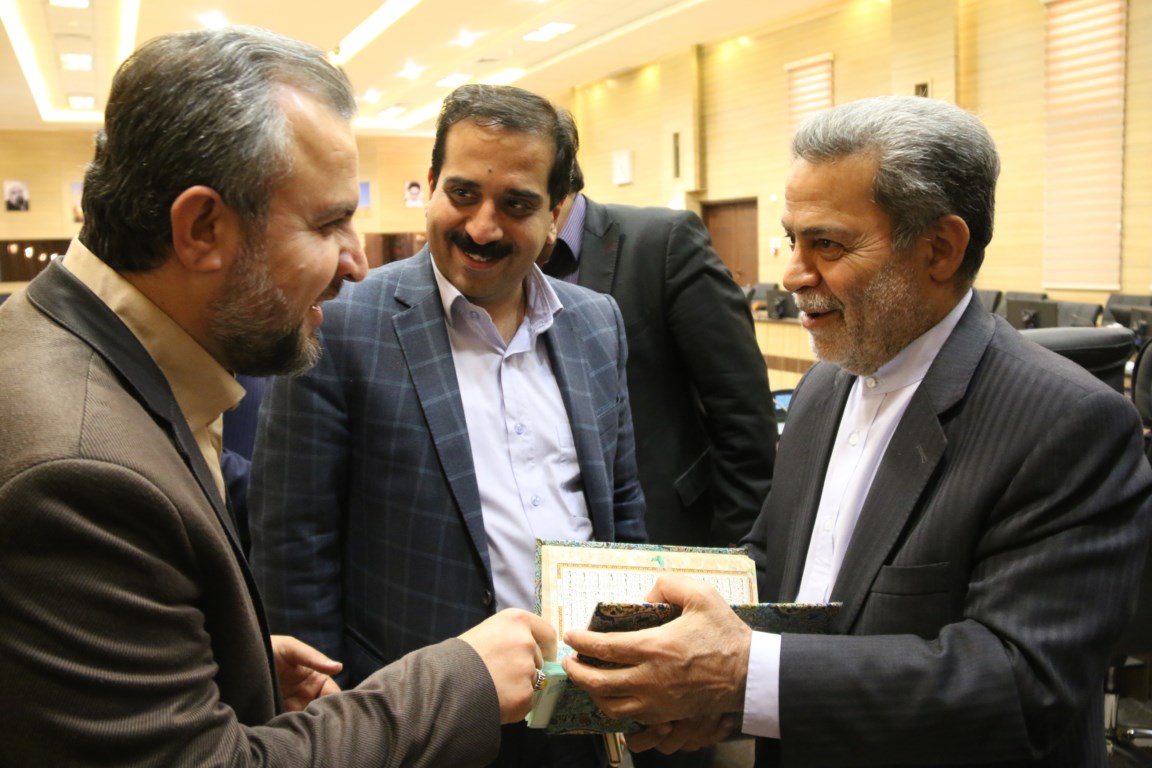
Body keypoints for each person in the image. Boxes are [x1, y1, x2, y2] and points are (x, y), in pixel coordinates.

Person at [0, 27, 556, 767]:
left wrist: (232, 661)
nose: (357, 263)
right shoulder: (79, 474)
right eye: (329, 223)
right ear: (202, 228)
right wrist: (464, 680)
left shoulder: (82, 355)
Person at [561, 95, 1152, 767]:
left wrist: (744, 677)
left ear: (939, 249)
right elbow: (780, 567)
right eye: (792, 239)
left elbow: (1021, 686)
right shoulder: (824, 387)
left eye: (828, 245)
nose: (792, 274)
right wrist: (680, 658)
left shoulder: (1067, 425)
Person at [248, 83, 648, 768]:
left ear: (556, 214)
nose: (482, 228)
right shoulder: (340, 322)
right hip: (416, 720)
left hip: (578, 713)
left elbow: (622, 505)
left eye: (516, 204)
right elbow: (293, 544)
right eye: (462, 193)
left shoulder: (596, 323)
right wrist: (328, 728)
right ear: (430, 184)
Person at [539, 151, 776, 551]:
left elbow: (742, 415)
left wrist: (735, 558)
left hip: (666, 533)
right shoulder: (498, 264)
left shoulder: (662, 243)